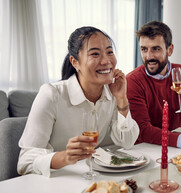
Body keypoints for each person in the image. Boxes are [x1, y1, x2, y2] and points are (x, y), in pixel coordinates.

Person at [18, 26, 139, 177]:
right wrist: (64, 157)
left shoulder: (112, 92)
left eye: (109, 52)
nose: (106, 61)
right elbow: (25, 162)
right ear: (75, 62)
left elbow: (127, 142)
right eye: (95, 54)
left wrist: (121, 98)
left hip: (96, 178)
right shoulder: (51, 94)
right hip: (58, 181)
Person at [126, 21, 181, 150]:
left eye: (156, 49)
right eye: (144, 49)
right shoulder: (133, 81)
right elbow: (142, 129)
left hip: (176, 148)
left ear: (170, 50)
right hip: (146, 149)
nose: (149, 56)